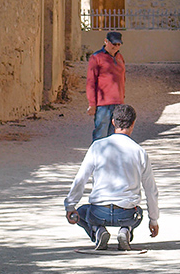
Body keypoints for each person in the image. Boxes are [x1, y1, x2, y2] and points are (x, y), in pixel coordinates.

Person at [65, 103, 159, 251]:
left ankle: (98, 231)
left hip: (98, 213)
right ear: (133, 123)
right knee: (138, 213)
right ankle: (125, 230)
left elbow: (81, 178)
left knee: (82, 211)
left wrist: (70, 205)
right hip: (127, 213)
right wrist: (153, 220)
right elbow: (150, 189)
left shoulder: (97, 146)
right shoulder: (140, 152)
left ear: (113, 122)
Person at [86, 30, 126, 141]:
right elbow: (91, 82)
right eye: (114, 44)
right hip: (103, 104)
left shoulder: (120, 57)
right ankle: (97, 158)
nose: (116, 47)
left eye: (118, 44)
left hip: (118, 103)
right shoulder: (96, 57)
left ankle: (111, 158)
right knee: (100, 135)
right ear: (106, 41)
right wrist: (92, 104)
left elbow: (122, 78)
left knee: (115, 137)